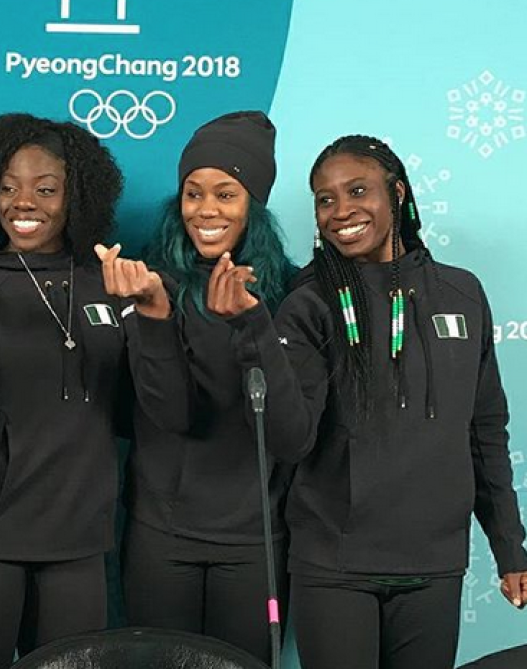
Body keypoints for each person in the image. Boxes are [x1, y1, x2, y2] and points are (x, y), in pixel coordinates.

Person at [218, 135, 527, 668]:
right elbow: (292, 439)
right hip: (334, 568)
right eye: (325, 199)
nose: (342, 211)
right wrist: (253, 330)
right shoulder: (309, 302)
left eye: (357, 190)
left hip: (433, 567)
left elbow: (484, 431)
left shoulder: (461, 294)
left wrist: (509, 547)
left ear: (398, 194)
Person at [0, 112, 188, 669]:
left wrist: (153, 320)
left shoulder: (111, 284)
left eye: (46, 189)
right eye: (8, 187)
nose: (24, 203)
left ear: (77, 197)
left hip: (80, 545)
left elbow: (155, 415)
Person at [120, 111, 298, 662]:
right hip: (161, 536)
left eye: (226, 194)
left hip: (254, 542)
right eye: (193, 193)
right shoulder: (152, 283)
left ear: (253, 206)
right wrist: (153, 317)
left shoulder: (293, 294)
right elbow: (170, 413)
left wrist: (252, 324)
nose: (207, 210)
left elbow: (291, 435)